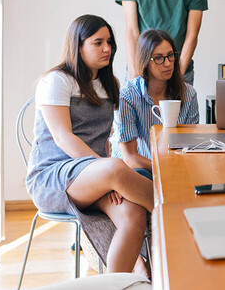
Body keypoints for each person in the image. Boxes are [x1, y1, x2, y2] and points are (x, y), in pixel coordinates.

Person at [26, 15, 153, 274]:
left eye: (109, 42)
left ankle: (118, 282)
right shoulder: (57, 80)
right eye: (98, 43)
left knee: (134, 216)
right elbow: (63, 137)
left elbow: (103, 140)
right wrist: (106, 172)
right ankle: (180, 214)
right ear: (78, 45)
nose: (107, 48)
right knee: (117, 168)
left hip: (95, 176)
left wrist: (106, 174)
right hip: (53, 177)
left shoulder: (109, 85)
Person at [112, 29, 199, 176]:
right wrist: (164, 169)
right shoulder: (128, 96)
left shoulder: (189, 94)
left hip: (175, 168)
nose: (167, 64)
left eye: (170, 56)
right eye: (158, 58)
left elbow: (190, 146)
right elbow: (130, 158)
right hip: (137, 171)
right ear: (145, 61)